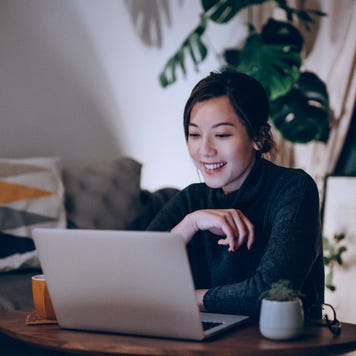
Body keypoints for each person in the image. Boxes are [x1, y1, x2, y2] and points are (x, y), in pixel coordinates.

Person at [147, 70, 324, 319]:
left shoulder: (294, 189)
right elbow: (137, 279)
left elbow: (271, 295)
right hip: (201, 343)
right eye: (194, 134)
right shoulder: (191, 200)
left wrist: (184, 298)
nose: (205, 150)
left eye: (221, 135)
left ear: (258, 137)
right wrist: (190, 224)